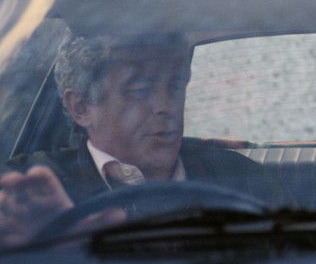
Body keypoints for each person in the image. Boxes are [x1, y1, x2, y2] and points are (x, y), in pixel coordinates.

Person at [0, 30, 286, 245]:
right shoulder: (28, 189)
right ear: (82, 107)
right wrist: (55, 245)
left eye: (176, 86)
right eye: (139, 90)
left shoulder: (244, 178)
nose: (166, 106)